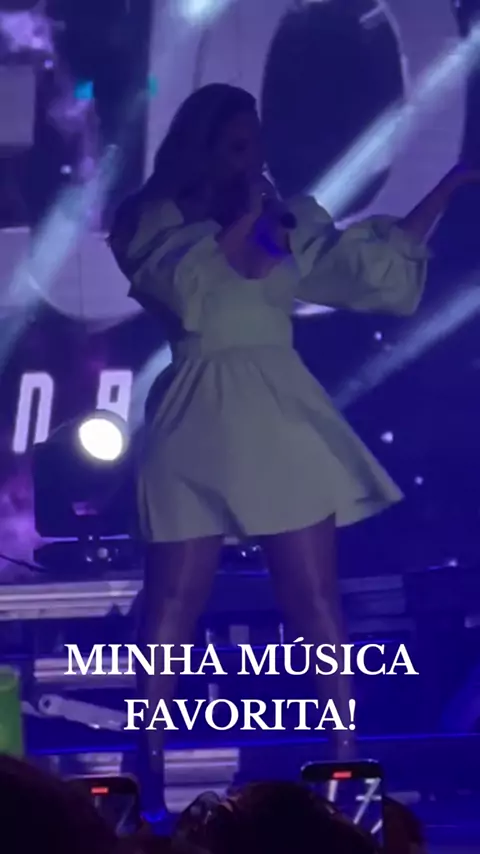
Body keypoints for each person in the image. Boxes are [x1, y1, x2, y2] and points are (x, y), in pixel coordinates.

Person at [109, 82, 480, 815]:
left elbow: (360, 271)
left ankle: (343, 753)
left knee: (312, 596)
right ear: (202, 147)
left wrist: (448, 187)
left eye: (257, 144)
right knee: (173, 600)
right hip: (195, 408)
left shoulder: (283, 217)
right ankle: (145, 752)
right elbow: (192, 292)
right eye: (237, 145)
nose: (253, 158)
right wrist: (249, 215)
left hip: (278, 411)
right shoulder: (154, 220)